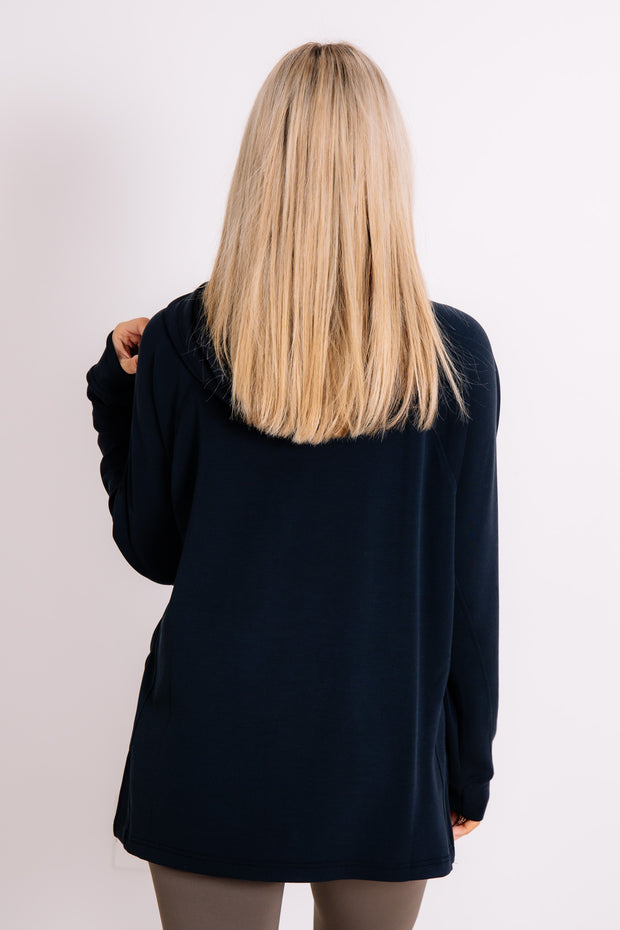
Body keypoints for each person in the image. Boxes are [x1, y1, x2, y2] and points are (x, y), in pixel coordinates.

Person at [86, 40, 501, 930]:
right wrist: (466, 767)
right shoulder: (452, 358)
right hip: (383, 759)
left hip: (209, 754)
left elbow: (155, 549)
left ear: (260, 168)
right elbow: (468, 590)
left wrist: (120, 391)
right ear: (385, 171)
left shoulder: (181, 340)